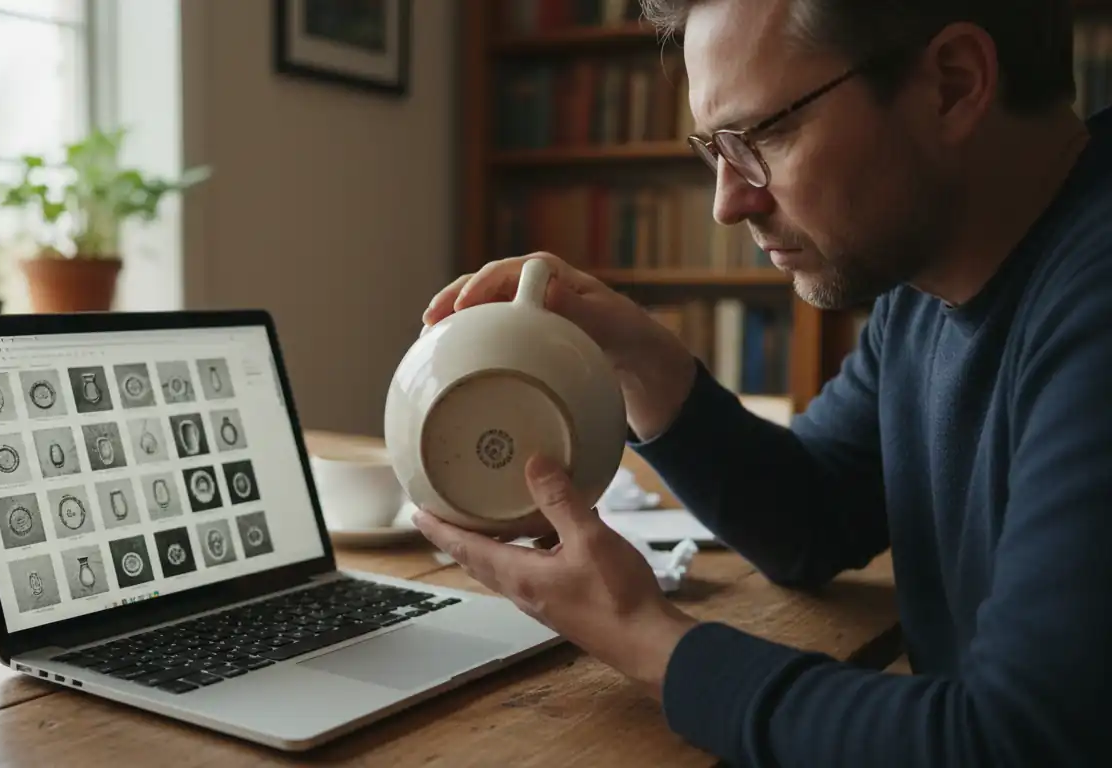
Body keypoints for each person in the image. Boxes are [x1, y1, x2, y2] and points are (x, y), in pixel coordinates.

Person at [410, 0, 1112, 764]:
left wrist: (642, 635)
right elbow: (812, 518)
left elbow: (1015, 744)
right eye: (713, 150)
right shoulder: (932, 281)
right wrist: (639, 355)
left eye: (761, 137)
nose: (727, 202)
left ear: (952, 82)